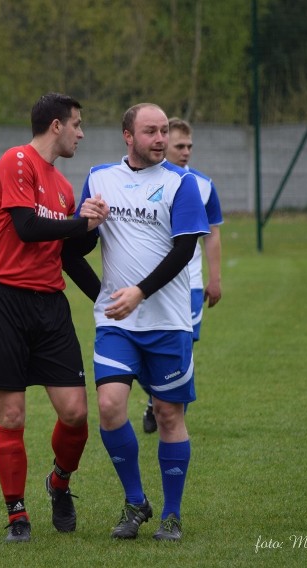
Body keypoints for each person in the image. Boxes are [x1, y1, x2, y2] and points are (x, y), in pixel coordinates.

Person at [67, 103, 209, 542]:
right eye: (151, 131)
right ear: (128, 136)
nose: (161, 139)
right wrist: (87, 228)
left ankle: (171, 514)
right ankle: (134, 501)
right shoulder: (100, 178)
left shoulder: (181, 184)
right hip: (118, 325)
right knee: (109, 406)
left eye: (164, 130)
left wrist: (139, 293)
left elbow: (184, 250)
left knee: (168, 415)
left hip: (167, 321)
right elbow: (73, 252)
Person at [0, 92, 109, 543]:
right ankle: (17, 515)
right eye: (77, 124)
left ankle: (59, 484)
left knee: (75, 414)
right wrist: (79, 224)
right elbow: (27, 228)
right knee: (11, 417)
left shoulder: (65, 187)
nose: (81, 133)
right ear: (56, 125)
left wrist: (106, 298)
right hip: (2, 302)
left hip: (50, 307)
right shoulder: (17, 160)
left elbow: (68, 256)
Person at [142, 117, 223, 434]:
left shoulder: (203, 184)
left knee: (183, 344)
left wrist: (213, 277)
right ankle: (155, 399)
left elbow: (212, 233)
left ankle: (170, 413)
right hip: (148, 283)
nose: (186, 151)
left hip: (187, 283)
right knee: (149, 346)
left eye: (189, 146)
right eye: (180, 146)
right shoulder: (144, 181)